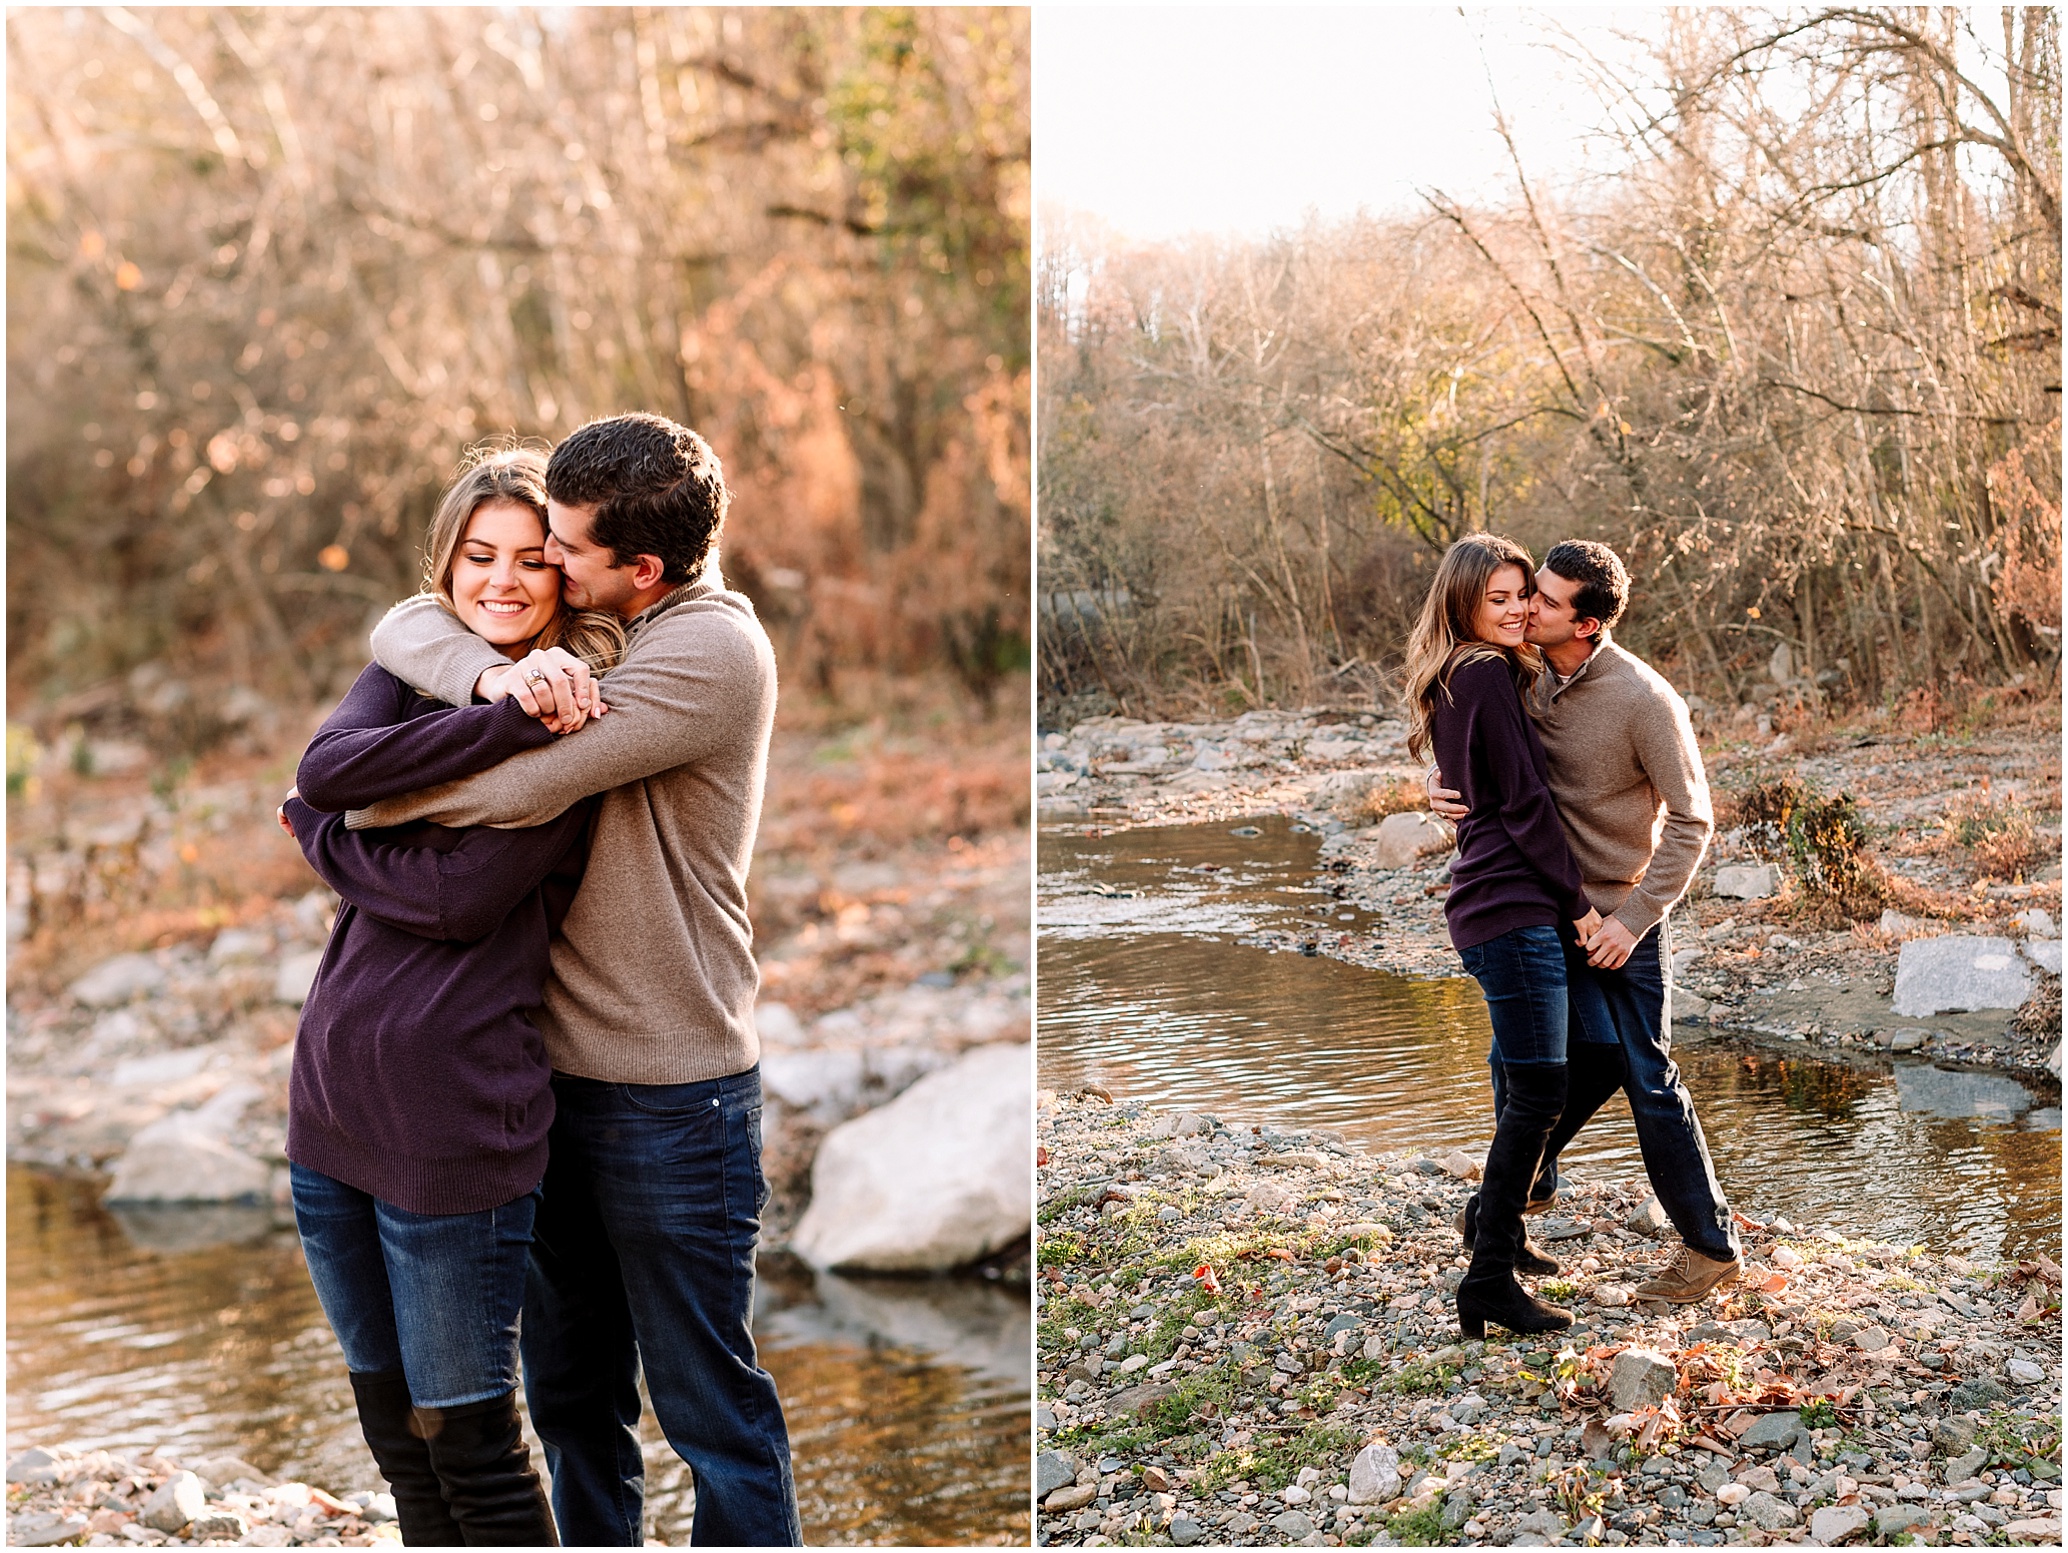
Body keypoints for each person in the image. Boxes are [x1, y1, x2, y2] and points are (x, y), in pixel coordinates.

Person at [345, 413, 800, 1547]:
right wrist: (489, 677)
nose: (539, 562)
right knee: (571, 1400)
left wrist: (347, 809)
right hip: (547, 1083)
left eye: (559, 546)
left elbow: (520, 791)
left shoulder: (708, 651)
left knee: (710, 1410)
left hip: (671, 1091)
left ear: (638, 567)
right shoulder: (603, 619)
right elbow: (411, 615)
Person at [277, 446, 626, 1546]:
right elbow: (330, 769)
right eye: (479, 555)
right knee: (394, 1432)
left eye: (532, 559)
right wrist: (497, 703)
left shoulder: (576, 717)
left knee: (470, 1443)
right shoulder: (424, 669)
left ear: (565, 576)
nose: (503, 581)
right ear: (448, 563)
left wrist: (323, 843)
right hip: (329, 1108)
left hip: (458, 1124)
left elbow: (461, 898)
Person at [1433, 538, 1740, 1305]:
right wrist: (1438, 788)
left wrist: (1632, 919)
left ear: (1588, 624)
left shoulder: (1644, 699)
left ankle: (1710, 1249)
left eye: (1544, 599)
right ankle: (1518, 1197)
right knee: (1528, 1061)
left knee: (1645, 1074)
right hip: (1547, 906)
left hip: (1620, 919)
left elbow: (1693, 822)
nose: (1525, 606)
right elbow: (1487, 759)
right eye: (1526, 591)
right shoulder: (1525, 674)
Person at [1406, 533, 1603, 1339]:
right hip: (1513, 906)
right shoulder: (1485, 673)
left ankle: (1501, 1233)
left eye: (1525, 593)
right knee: (1541, 1092)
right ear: (1463, 605)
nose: (1519, 608)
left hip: (1496, 905)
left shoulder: (1464, 673)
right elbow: (1524, 805)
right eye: (1500, 598)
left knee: (1541, 1080)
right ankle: (1485, 1274)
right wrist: (1579, 903)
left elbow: (1477, 786)